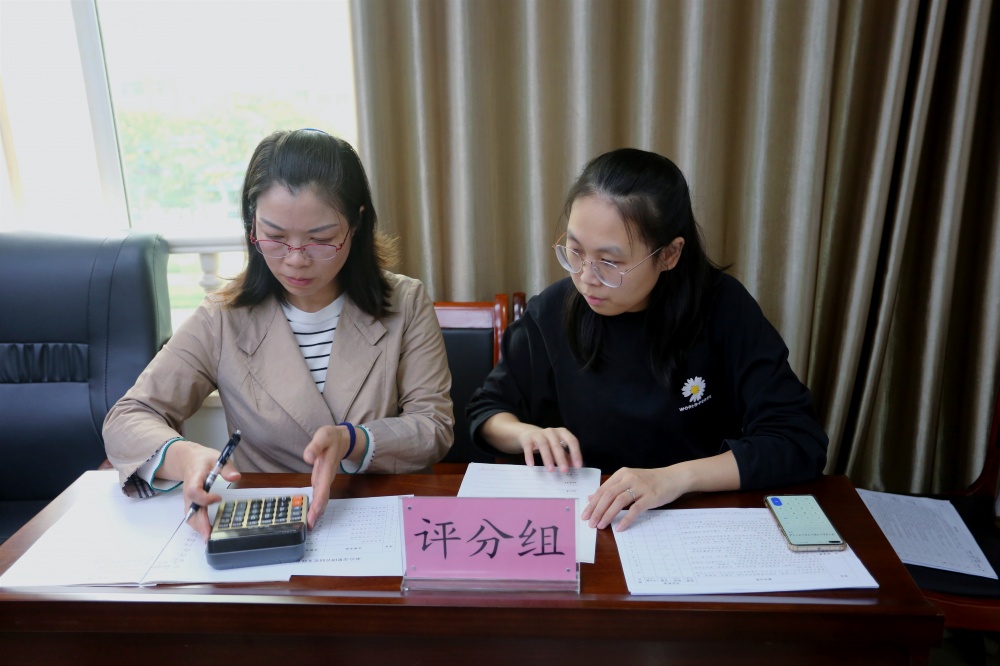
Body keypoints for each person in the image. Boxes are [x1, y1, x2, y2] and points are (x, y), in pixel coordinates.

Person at [104, 129, 454, 539]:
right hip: (267, 522)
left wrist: (354, 441)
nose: (295, 260)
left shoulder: (406, 303)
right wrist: (184, 457)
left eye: (321, 240)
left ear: (357, 223)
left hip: (379, 515)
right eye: (274, 237)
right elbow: (128, 417)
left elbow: (433, 426)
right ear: (252, 222)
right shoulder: (223, 318)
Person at [467, 148, 828, 532]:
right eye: (575, 251)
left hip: (696, 517)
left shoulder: (723, 308)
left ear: (669, 254)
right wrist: (527, 434)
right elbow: (488, 411)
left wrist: (677, 478)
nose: (586, 278)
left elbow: (797, 440)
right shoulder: (554, 310)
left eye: (610, 262)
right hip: (592, 520)